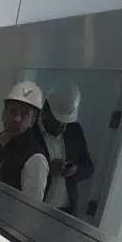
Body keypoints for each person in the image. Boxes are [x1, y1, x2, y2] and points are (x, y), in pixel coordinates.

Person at [0, 81, 49, 202]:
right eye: (13, 111)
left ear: (32, 120)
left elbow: (29, 210)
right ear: (4, 113)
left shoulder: (36, 158)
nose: (17, 118)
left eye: (25, 114)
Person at [38, 83, 95, 215]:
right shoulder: (30, 131)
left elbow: (89, 167)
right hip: (36, 208)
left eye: (66, 121)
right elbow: (14, 169)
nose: (62, 125)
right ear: (45, 110)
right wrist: (45, 169)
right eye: (57, 120)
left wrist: (75, 170)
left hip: (66, 211)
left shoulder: (74, 130)